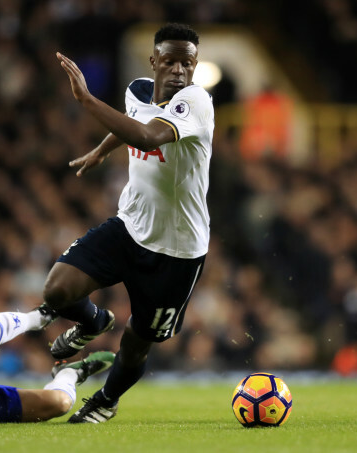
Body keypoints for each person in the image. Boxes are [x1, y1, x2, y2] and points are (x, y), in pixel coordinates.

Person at [42, 23, 213, 423]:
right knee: (58, 290)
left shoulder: (196, 103)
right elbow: (132, 117)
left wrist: (86, 100)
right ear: (153, 61)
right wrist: (102, 150)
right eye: (169, 61)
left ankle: (105, 399)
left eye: (186, 63)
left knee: (137, 343)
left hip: (177, 251)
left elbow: (148, 135)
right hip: (130, 227)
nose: (177, 71)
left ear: (194, 67)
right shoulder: (137, 89)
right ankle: (93, 321)